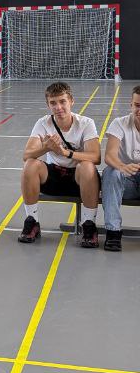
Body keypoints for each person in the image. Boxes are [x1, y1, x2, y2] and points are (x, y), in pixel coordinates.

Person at [19, 80, 100, 247]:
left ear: (71, 101)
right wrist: (45, 147)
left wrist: (65, 152)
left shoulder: (86, 123)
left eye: (62, 101)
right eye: (53, 103)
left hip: (79, 179)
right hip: (54, 177)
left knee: (87, 165)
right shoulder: (43, 123)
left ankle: (89, 225)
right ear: (48, 105)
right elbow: (27, 155)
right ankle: (32, 221)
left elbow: (96, 157)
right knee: (30, 164)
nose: (58, 107)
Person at [101, 85, 140, 251]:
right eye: (137, 105)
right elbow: (109, 156)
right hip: (126, 183)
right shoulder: (120, 123)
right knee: (111, 172)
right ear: (131, 105)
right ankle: (113, 232)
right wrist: (123, 167)